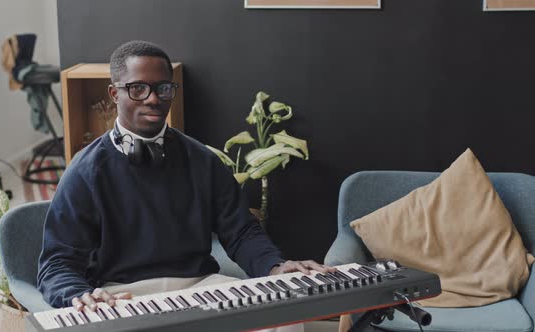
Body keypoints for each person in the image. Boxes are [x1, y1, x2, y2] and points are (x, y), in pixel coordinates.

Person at [37, 40, 332, 331]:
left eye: (163, 88)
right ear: (115, 93)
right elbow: (57, 263)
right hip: (122, 295)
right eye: (138, 89)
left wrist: (275, 267)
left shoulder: (201, 159)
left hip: (200, 286)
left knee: (283, 323)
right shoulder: (85, 171)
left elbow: (241, 231)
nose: (153, 99)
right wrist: (78, 295)